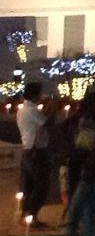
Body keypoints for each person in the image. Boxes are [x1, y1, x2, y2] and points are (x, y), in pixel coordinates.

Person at [17, 81, 52, 227]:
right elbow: (48, 123)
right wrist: (51, 109)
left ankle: (25, 214)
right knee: (42, 184)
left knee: (29, 184)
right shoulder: (32, 110)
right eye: (39, 92)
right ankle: (32, 215)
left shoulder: (22, 109)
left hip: (27, 150)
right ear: (34, 94)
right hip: (37, 151)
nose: (41, 95)